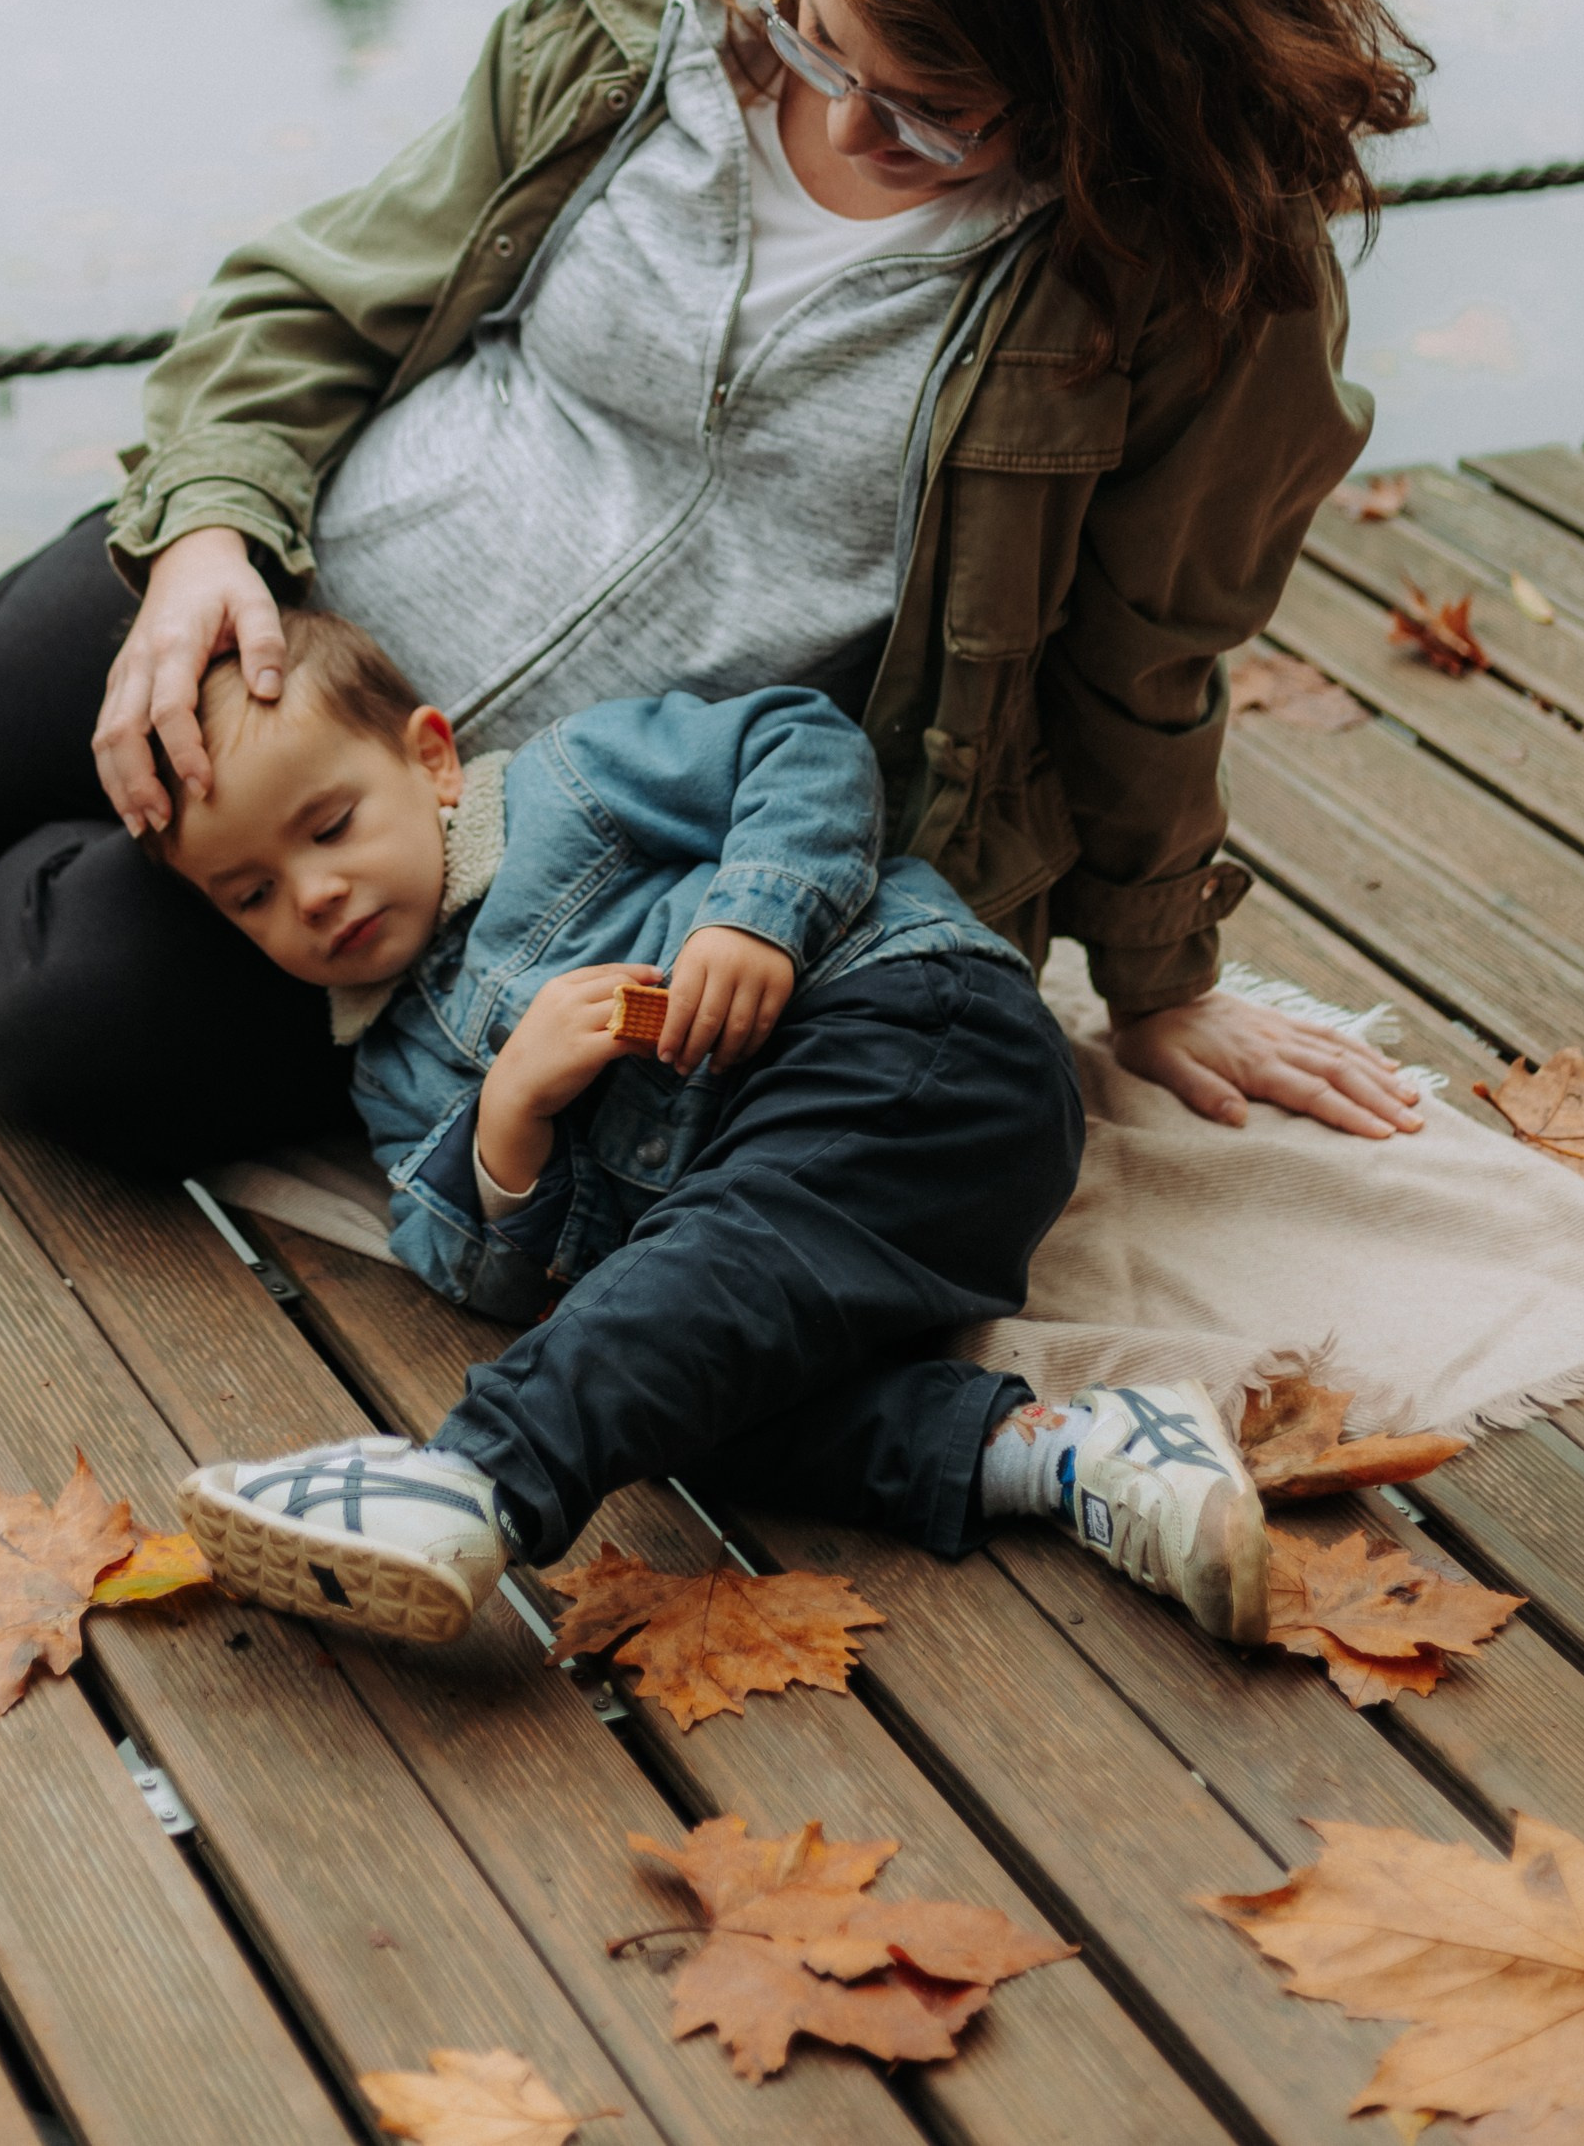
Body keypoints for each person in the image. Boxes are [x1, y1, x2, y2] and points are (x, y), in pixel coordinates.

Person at [0, 0, 1430, 1174]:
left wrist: (1156, 975)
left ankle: (31, 828)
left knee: (79, 1038)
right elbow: (311, 299)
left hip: (562, 837)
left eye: (930, 116)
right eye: (817, 40)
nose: (838, 112)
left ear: (1102, 88)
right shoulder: (618, 26)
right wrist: (203, 533)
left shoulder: (1197, 287)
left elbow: (1141, 660)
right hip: (291, 621)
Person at [143, 603, 1269, 1649]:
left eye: (330, 825)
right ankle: (1076, 1455)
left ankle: (472, 1475)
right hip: (785, 1243)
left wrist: (757, 915)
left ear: (430, 757)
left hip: (900, 1032)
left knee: (680, 1297)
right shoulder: (388, 1067)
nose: (314, 893)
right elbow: (464, 1267)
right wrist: (507, 1116)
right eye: (250, 894)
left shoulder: (569, 783)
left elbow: (798, 742)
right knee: (664, 1392)